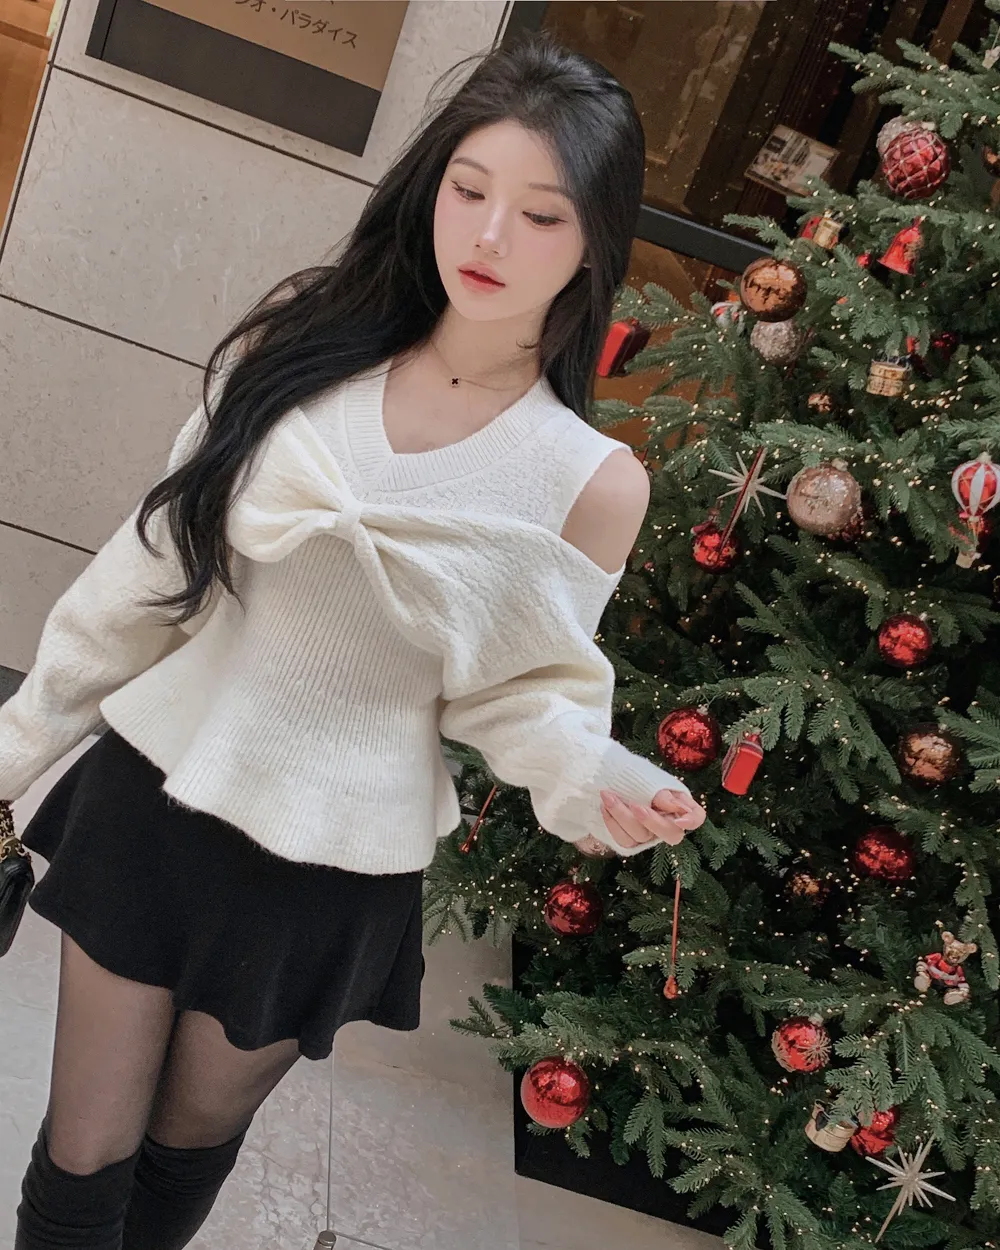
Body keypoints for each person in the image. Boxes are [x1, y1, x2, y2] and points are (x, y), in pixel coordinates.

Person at [0, 30, 706, 1250]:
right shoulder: (302, 343)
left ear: (595, 240)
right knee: (80, 1164)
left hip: (326, 868)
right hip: (160, 793)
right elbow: (148, 575)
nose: (489, 236)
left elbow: (519, 693)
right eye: (469, 190)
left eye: (540, 214)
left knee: (178, 1163)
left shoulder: (589, 480)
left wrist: (598, 772)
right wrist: (13, 748)